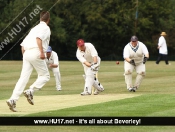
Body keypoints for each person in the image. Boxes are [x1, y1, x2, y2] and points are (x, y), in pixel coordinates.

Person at [6, 11, 51, 112]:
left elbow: (22, 45)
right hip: (36, 52)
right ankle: (31, 90)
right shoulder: (46, 28)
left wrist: (26, 57)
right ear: (48, 20)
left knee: (23, 78)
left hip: (26, 53)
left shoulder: (34, 28)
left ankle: (13, 99)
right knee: (45, 76)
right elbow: (39, 39)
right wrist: (41, 52)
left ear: (40, 19)